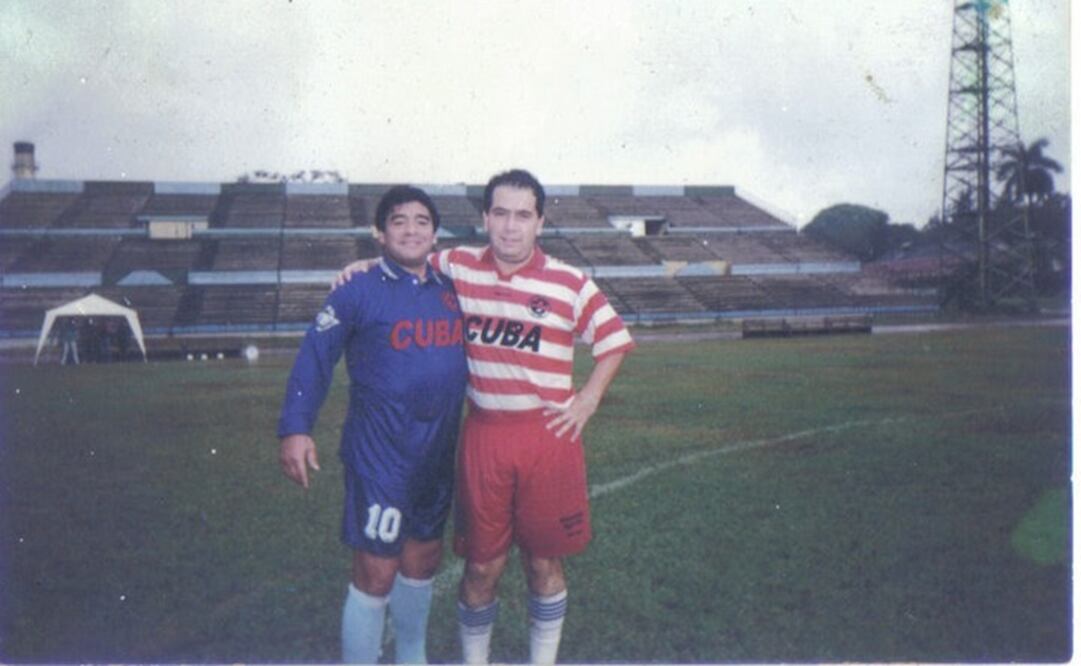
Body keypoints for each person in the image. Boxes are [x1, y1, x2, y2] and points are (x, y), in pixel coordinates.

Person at [337, 169, 635, 664]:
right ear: (485, 218)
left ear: (540, 222)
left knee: (543, 564)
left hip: (547, 437)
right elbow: (407, 258)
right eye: (500, 213)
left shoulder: (569, 281)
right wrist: (367, 263)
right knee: (480, 568)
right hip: (485, 434)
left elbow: (614, 341)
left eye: (523, 215)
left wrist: (587, 399)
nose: (511, 226)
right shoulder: (457, 265)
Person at [277, 185, 468, 664]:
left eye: (422, 221)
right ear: (379, 233)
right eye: (399, 221)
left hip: (436, 454)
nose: (411, 230)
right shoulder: (356, 290)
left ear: (435, 234)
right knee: (377, 571)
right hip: (380, 457)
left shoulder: (453, 290)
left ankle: (412, 658)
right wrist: (296, 427)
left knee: (421, 564)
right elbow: (315, 357)